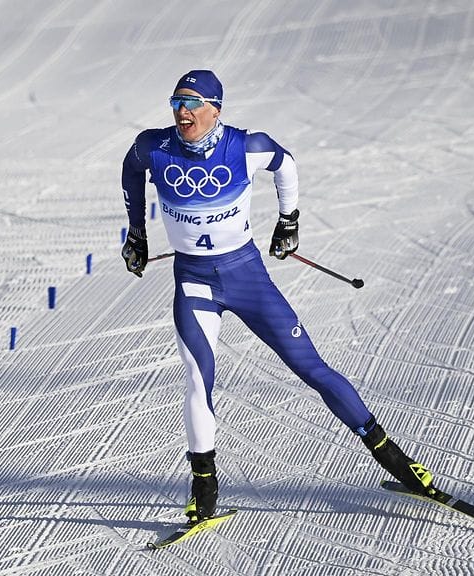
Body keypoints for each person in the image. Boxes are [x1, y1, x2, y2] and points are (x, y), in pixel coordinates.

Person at [120, 70, 437, 522]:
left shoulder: (246, 146)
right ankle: (203, 489)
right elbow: (131, 167)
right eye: (176, 103)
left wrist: (289, 221)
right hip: (193, 282)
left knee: (310, 367)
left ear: (216, 108)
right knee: (197, 379)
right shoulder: (155, 146)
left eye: (191, 104)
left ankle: (394, 458)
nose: (182, 113)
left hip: (246, 277)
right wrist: (136, 232)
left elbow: (285, 163)